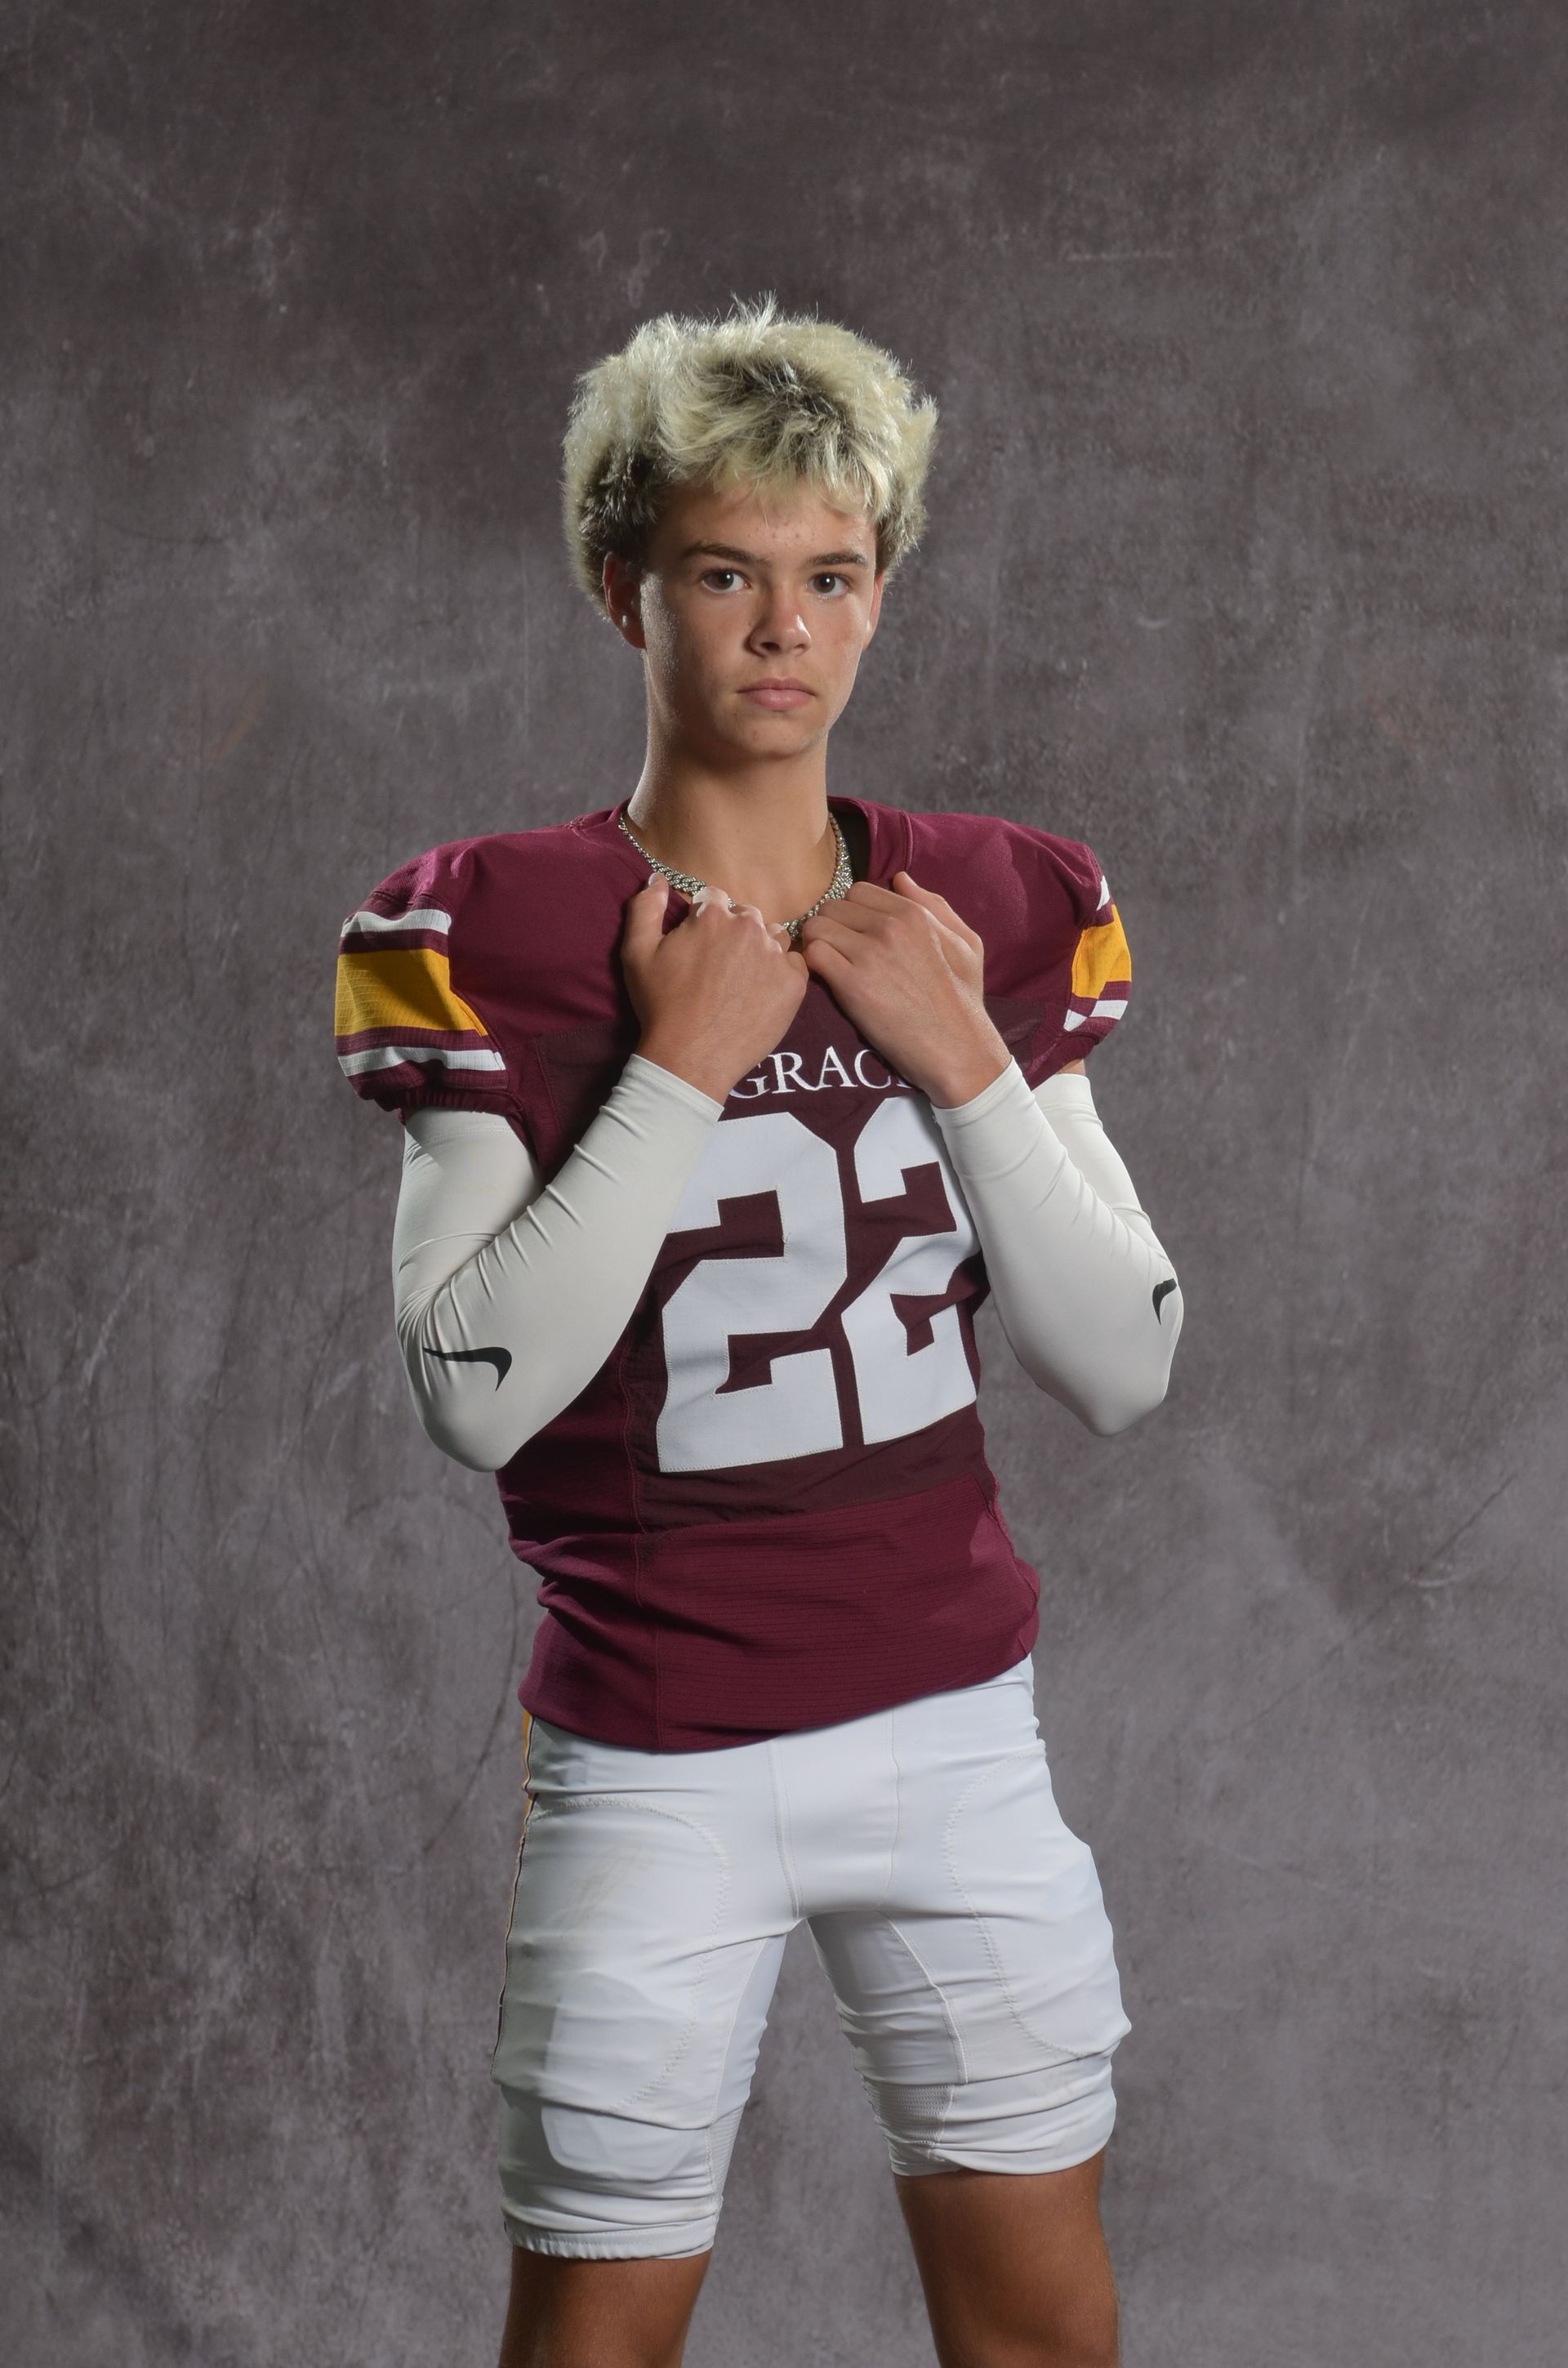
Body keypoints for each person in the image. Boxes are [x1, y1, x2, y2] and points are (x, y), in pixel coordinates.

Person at [333, 294, 1183, 2368]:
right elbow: (471, 1392)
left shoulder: (990, 902)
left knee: (1047, 2337)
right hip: (652, 1747)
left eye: (832, 575)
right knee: (594, 2344)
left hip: (958, 1725)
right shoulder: (498, 923)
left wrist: (963, 1055)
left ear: (881, 596)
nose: (783, 628)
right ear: (623, 587)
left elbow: (1126, 1365)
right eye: (724, 573)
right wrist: (678, 1071)